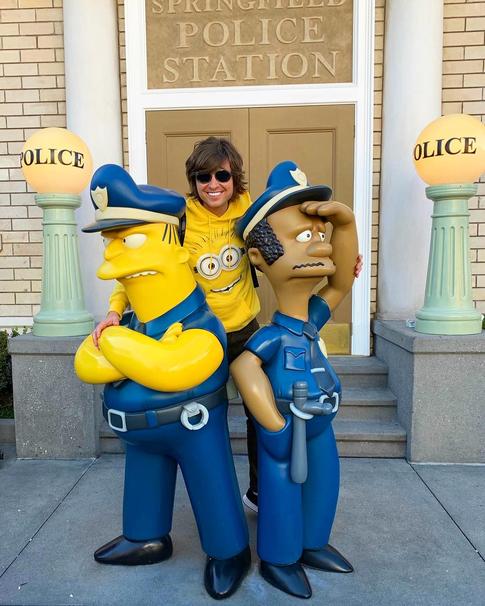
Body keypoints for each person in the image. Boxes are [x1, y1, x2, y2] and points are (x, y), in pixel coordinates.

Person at [75, 164, 251, 600]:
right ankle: (144, 537)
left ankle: (228, 550)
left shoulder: (198, 327)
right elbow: (87, 363)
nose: (111, 261)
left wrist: (117, 347)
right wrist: (117, 326)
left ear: (174, 244)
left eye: (130, 241)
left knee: (210, 478)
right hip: (141, 435)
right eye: (111, 243)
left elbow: (174, 368)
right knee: (144, 475)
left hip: (193, 421)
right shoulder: (133, 322)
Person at [93, 137, 262, 510]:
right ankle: (214, 499)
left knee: (260, 413)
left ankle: (259, 490)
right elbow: (133, 273)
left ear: (235, 178)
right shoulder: (179, 220)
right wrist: (115, 312)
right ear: (194, 180)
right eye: (204, 177)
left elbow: (286, 247)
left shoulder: (250, 211)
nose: (213, 184)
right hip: (195, 334)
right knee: (203, 414)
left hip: (243, 330)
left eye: (222, 175)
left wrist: (342, 263)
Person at [230, 161, 358, 599]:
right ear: (259, 257)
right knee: (281, 493)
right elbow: (244, 368)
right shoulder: (272, 335)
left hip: (320, 424)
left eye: (320, 235)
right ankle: (280, 559)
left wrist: (346, 225)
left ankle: (313, 543)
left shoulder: (311, 321)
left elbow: (340, 284)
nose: (320, 245)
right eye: (303, 237)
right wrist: (273, 424)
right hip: (287, 429)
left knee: (324, 484)